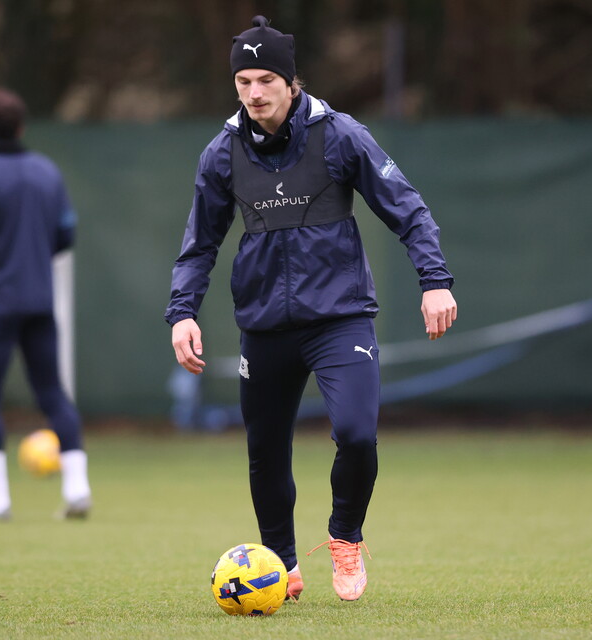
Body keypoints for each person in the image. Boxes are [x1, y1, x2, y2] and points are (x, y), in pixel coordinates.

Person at [165, 16, 457, 601]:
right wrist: (182, 313)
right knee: (264, 448)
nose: (254, 92)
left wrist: (435, 280)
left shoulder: (340, 135)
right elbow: (199, 243)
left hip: (339, 317)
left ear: (291, 81)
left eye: (266, 79)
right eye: (243, 81)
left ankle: (345, 536)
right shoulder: (221, 153)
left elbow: (409, 209)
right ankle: (281, 563)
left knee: (356, 434)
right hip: (265, 326)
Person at [0, 88, 92, 521]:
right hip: (40, 299)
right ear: (21, 126)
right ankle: (78, 488)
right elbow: (65, 235)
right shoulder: (47, 172)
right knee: (52, 392)